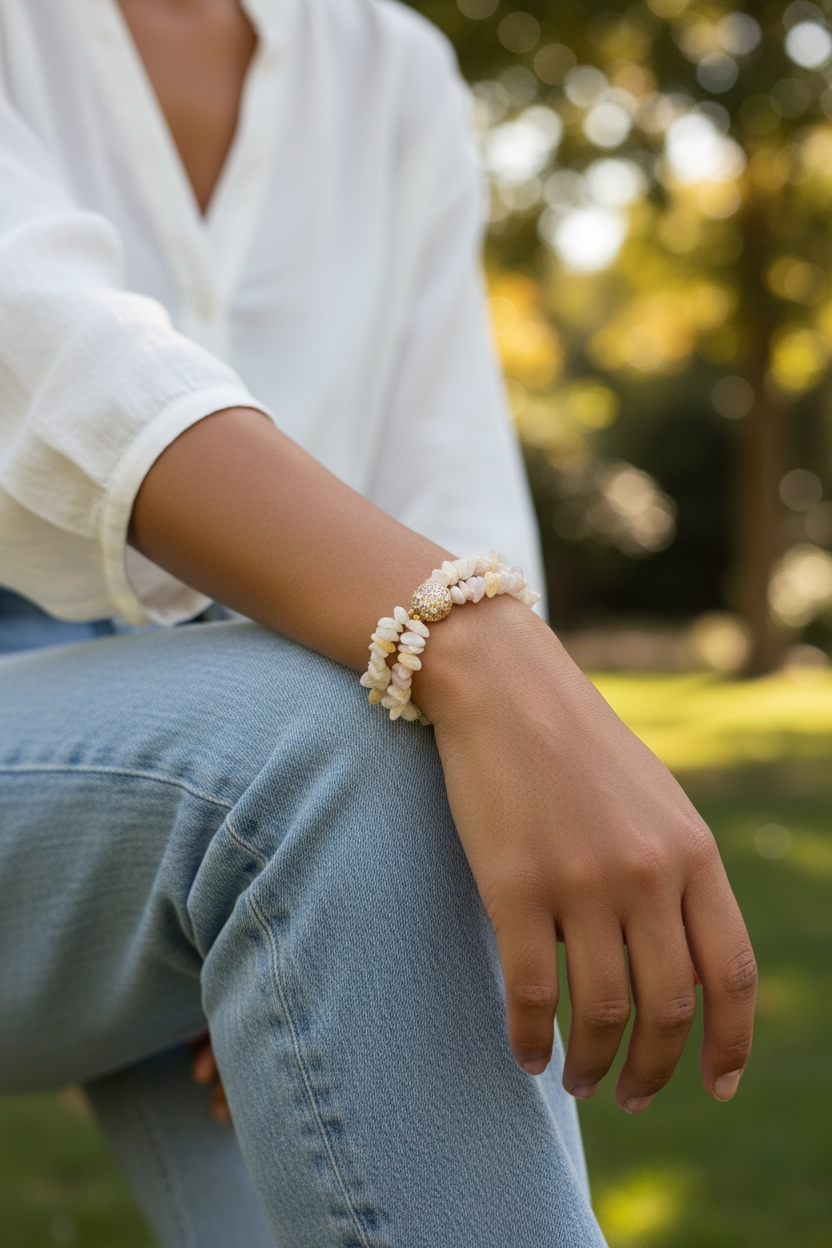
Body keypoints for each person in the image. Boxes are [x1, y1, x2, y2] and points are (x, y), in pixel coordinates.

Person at [0, 1, 756, 1244]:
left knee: (393, 751)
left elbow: (445, 476)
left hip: (227, 764)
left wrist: (484, 692)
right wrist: (472, 643)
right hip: (189, 760)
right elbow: (44, 352)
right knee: (346, 742)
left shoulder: (389, 65)